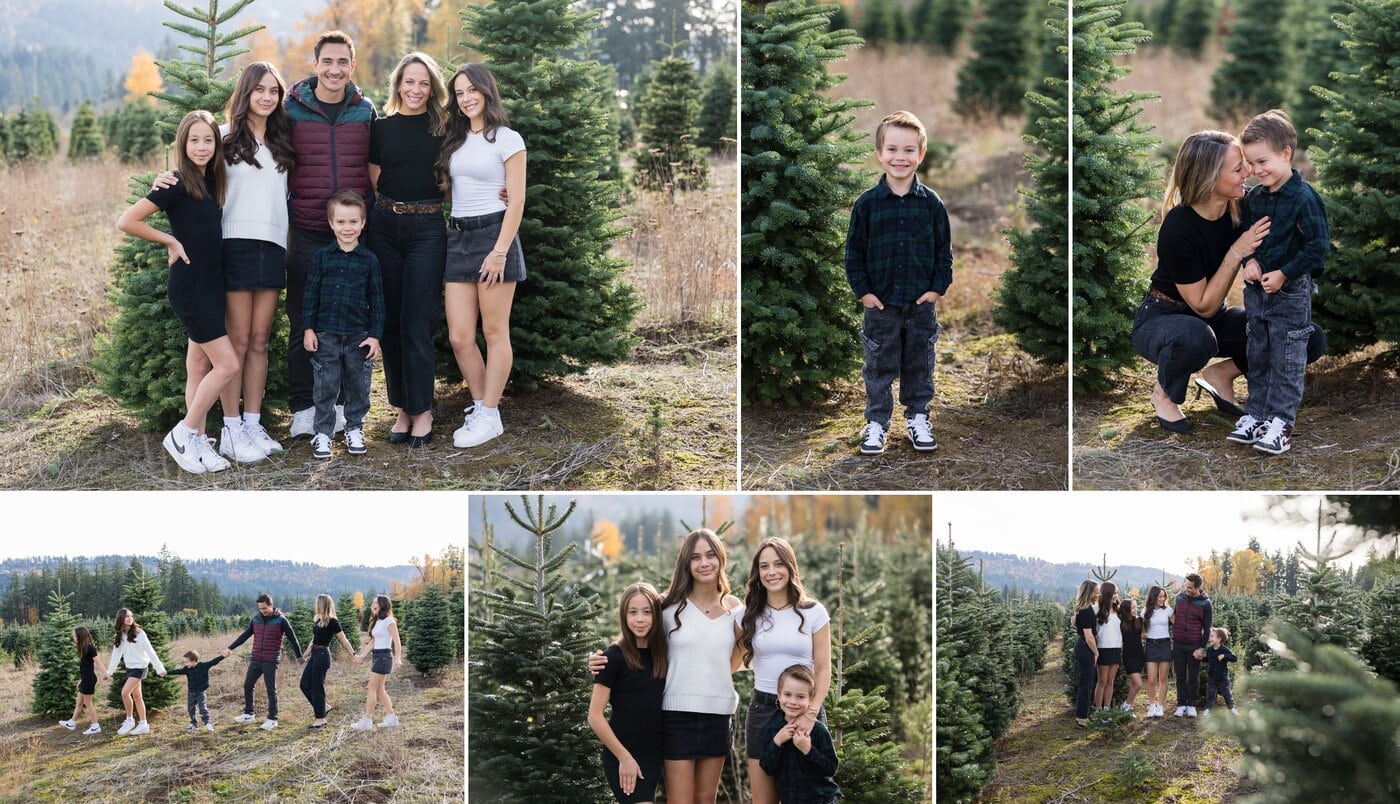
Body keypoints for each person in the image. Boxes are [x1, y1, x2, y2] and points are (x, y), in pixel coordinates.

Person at [1131, 130, 1327, 435]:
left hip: (1214, 319)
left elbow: (1294, 226)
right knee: (1197, 338)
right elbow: (1203, 306)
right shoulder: (1178, 228)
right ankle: (1164, 393)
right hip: (1163, 317)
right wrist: (1237, 252)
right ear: (1210, 179)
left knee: (1305, 338)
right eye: (1238, 168)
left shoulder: (1242, 205)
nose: (1248, 172)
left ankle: (1221, 373)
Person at [117, 109, 237, 475]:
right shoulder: (175, 184)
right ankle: (184, 433)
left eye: (208, 139)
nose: (201, 147)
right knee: (228, 364)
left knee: (198, 365)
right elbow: (127, 221)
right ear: (182, 145)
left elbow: (239, 126)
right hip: (190, 287)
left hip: (212, 284)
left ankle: (197, 443)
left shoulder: (211, 180)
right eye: (194, 140)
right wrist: (169, 240)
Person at [587, 529, 743, 804]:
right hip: (676, 716)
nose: (704, 563)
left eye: (710, 555)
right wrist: (602, 659)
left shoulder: (734, 608)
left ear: (721, 559)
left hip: (717, 716)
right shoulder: (667, 605)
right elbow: (635, 625)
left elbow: (736, 659)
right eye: (695, 557)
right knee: (680, 800)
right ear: (686, 563)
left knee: (706, 799)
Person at [284, 30, 376, 439]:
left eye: (343, 62)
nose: (334, 69)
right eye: (328, 61)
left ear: (351, 66)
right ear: (315, 63)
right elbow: (244, 134)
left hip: (353, 237)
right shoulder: (291, 109)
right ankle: (303, 407)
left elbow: (387, 163)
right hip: (306, 228)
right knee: (303, 319)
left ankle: (340, 408)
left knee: (350, 322)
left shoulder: (365, 111)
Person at [845, 110, 952, 455]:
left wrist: (937, 288)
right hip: (881, 304)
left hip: (921, 304)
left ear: (921, 155)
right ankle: (877, 422)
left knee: (920, 362)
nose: (900, 157)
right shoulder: (867, 205)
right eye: (892, 149)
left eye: (908, 150)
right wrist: (864, 293)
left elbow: (943, 251)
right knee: (878, 364)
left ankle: (918, 417)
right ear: (879, 153)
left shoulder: (932, 204)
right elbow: (854, 255)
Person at [1227, 110, 1330, 455]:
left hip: (1291, 292)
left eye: (1263, 161)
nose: (1256, 170)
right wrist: (1250, 261)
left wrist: (1285, 272)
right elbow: (1246, 237)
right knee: (1258, 352)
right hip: (1256, 293)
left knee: (1287, 357)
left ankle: (1281, 422)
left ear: (1286, 154)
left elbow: (1318, 248)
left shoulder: (1304, 198)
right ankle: (1255, 414)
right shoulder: (1254, 198)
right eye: (1251, 163)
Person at [438, 63, 527, 449]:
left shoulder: (507, 139)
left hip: (494, 236)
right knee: (459, 336)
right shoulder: (453, 140)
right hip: (457, 237)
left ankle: (491, 415)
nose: (467, 97)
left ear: (487, 92)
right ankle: (480, 406)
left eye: (473, 89)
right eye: (459, 92)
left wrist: (499, 253)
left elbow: (517, 198)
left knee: (493, 332)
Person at [367, 52, 450, 447]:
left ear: (432, 88)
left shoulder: (446, 128)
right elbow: (374, 180)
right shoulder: (380, 129)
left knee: (418, 320)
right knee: (391, 324)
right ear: (397, 84)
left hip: (427, 228)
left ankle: (424, 410)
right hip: (384, 226)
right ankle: (401, 409)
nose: (415, 90)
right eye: (409, 82)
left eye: (423, 83)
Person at [734, 538, 831, 804]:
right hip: (763, 710)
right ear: (757, 573)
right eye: (764, 566)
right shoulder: (745, 615)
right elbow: (730, 660)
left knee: (808, 795)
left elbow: (823, 670)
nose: (771, 572)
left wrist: (811, 715)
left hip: (805, 710)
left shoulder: (813, 612)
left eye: (778, 564)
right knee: (763, 800)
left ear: (790, 567)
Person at [302, 189, 384, 459]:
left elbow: (377, 300)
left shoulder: (370, 260)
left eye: (352, 222)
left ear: (362, 223)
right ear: (330, 223)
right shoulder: (321, 258)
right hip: (325, 334)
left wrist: (375, 336)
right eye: (340, 222)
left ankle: (354, 428)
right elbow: (310, 295)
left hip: (358, 336)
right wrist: (309, 329)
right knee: (325, 385)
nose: (346, 228)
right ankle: (323, 434)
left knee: (358, 385)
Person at [588, 582, 669, 804]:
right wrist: (624, 757)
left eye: (647, 612)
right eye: (633, 612)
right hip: (623, 754)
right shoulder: (612, 658)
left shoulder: (662, 656)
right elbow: (594, 716)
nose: (640, 619)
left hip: (654, 754)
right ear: (624, 616)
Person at [757, 664, 840, 804]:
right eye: (787, 695)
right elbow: (767, 767)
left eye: (800, 697)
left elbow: (830, 768)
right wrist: (777, 741)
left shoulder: (818, 731)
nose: (793, 702)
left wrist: (808, 750)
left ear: (811, 699)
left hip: (822, 801)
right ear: (779, 695)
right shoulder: (774, 730)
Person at [223, 593, 304, 731]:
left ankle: (272, 719)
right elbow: (245, 635)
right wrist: (230, 648)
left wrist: (299, 656)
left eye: (264, 608)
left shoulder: (281, 620)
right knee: (248, 684)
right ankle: (249, 714)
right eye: (260, 609)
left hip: (271, 659)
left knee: (270, 689)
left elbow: (293, 639)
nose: (262, 611)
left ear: (271, 605)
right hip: (256, 658)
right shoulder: (256, 619)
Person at [300, 594, 361, 728]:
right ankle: (324, 706)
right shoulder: (318, 621)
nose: (314, 605)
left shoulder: (333, 621)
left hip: (322, 656)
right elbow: (313, 640)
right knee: (304, 684)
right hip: (314, 654)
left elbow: (343, 639)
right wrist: (304, 656)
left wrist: (353, 654)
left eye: (317, 603)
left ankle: (320, 719)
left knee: (317, 687)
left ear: (322, 604)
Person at [106, 608, 168, 736]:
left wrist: (159, 668)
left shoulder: (139, 633)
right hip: (130, 668)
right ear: (121, 619)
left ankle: (130, 720)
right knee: (137, 696)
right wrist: (109, 672)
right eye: (127, 616)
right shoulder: (120, 635)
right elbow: (116, 655)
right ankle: (143, 724)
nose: (130, 618)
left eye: (131, 616)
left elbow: (151, 651)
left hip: (140, 667)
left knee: (124, 693)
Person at [353, 595, 404, 730]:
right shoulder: (377, 621)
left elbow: (397, 641)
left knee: (371, 688)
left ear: (382, 605)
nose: (373, 605)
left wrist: (398, 657)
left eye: (376, 603)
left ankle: (367, 720)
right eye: (373, 602)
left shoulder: (389, 621)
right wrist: (362, 656)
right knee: (380, 690)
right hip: (377, 656)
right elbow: (373, 642)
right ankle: (391, 718)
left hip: (384, 657)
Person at [1172, 573, 1213, 717]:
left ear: (1197, 587)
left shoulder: (1205, 603)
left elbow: (1207, 629)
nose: (1186, 589)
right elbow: (1174, 617)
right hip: (1178, 643)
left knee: (1193, 676)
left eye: (1189, 587)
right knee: (1180, 675)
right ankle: (1181, 704)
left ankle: (1192, 705)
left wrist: (1201, 648)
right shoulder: (1180, 598)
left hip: (1194, 645)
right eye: (1186, 585)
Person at [58, 626, 109, 735]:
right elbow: (85, 667)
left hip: (89, 679)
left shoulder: (90, 648)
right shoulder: (82, 648)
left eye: (75, 636)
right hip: (85, 679)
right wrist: (81, 680)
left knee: (88, 703)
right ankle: (72, 723)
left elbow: (98, 662)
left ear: (81, 636)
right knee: (79, 702)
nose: (73, 638)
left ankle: (95, 726)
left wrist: (106, 674)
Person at [166, 649, 225, 732]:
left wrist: (223, 656)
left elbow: (214, 661)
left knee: (202, 708)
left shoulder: (203, 666)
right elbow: (177, 671)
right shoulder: (187, 669)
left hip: (201, 692)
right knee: (190, 709)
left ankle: (207, 723)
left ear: (194, 661)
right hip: (191, 693)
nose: (186, 664)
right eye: (185, 662)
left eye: (187, 662)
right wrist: (166, 673)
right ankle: (193, 724)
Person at [1141, 584, 1173, 719]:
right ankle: (1152, 705)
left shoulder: (1168, 611)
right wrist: (1144, 634)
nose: (1162, 599)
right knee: (1151, 679)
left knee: (1163, 678)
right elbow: (1142, 631)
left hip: (1165, 644)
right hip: (1151, 645)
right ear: (1153, 597)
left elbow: (1178, 625)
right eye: (1160, 596)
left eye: (1164, 596)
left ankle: (1160, 706)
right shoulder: (1145, 612)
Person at [1071, 580, 1099, 728]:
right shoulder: (1086, 610)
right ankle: (1082, 718)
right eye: (1096, 591)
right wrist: (1095, 653)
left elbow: (1075, 622)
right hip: (1085, 647)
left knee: (1086, 682)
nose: (1098, 594)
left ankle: (1082, 715)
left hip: (1082, 646)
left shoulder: (1083, 609)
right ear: (1089, 592)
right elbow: (1089, 636)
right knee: (1086, 684)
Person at [1093, 582, 1122, 711]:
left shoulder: (1119, 610)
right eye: (1114, 593)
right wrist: (1074, 619)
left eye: (1117, 593)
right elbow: (1081, 620)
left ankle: (1107, 709)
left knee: (1111, 681)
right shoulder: (1096, 609)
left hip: (1116, 648)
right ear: (1107, 593)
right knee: (1102, 681)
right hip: (1102, 649)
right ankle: (1098, 710)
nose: (1116, 595)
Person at [1201, 626, 1238, 716]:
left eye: (1212, 636)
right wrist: (1201, 658)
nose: (1210, 638)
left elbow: (1234, 658)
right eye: (1210, 636)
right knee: (1210, 694)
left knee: (1227, 693)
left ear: (1219, 639)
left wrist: (1224, 656)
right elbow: (1208, 659)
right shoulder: (1209, 650)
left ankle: (1232, 709)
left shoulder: (1224, 650)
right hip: (1212, 677)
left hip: (1223, 677)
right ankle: (1208, 710)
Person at [1118, 597, 1145, 716]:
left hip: (1139, 654)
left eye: (1135, 607)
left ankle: (1129, 709)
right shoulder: (1121, 623)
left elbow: (1144, 634)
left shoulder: (1139, 620)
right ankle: (1126, 705)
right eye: (1133, 607)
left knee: (1133, 684)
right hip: (1128, 656)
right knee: (1139, 684)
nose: (1135, 609)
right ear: (1126, 610)